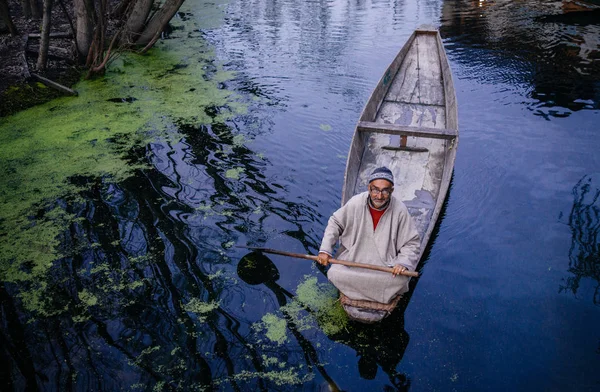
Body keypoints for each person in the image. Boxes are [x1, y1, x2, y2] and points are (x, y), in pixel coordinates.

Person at [316, 166, 420, 304]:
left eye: (385, 191)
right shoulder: (356, 202)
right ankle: (379, 295)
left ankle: (354, 291)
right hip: (353, 261)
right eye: (375, 190)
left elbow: (412, 243)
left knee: (400, 280)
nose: (379, 195)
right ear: (369, 188)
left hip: (385, 267)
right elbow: (335, 223)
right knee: (335, 273)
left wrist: (402, 263)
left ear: (392, 191)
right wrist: (325, 250)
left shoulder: (400, 210)